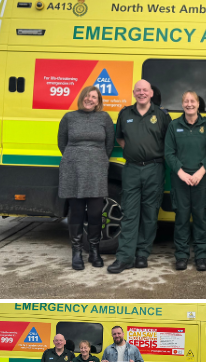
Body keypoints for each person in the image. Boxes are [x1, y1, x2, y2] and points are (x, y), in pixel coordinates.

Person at [108, 80, 172, 273]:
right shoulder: (125, 113)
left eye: (145, 90)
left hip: (155, 168)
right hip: (132, 169)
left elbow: (169, 141)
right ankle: (124, 257)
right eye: (138, 90)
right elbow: (120, 138)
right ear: (134, 93)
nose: (142, 93)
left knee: (150, 214)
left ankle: (142, 254)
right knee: (129, 213)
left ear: (151, 93)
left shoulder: (161, 115)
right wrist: (135, 152)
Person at [57, 86, 114, 270]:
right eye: (87, 96)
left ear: (98, 101)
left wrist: (96, 158)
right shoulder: (69, 117)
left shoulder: (104, 118)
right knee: (77, 211)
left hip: (97, 168)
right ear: (82, 98)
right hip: (73, 168)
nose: (90, 99)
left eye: (94, 97)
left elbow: (109, 144)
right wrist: (76, 156)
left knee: (96, 211)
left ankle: (94, 252)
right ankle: (76, 253)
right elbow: (62, 142)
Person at [164, 90, 206, 271]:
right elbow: (169, 153)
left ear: (198, 104)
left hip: (201, 179)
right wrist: (180, 172)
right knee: (181, 218)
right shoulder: (174, 126)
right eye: (186, 101)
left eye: (192, 101)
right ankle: (181, 255)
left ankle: (201, 256)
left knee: (201, 218)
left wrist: (200, 172)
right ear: (182, 105)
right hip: (180, 179)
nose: (189, 104)